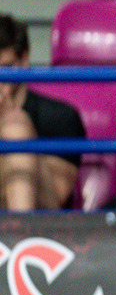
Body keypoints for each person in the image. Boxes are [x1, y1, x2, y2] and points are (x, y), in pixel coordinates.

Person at [0, 13, 85, 211]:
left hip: (40, 218)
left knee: (15, 126)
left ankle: (20, 228)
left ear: (24, 60)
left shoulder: (61, 116)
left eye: (5, 67)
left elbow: (58, 196)